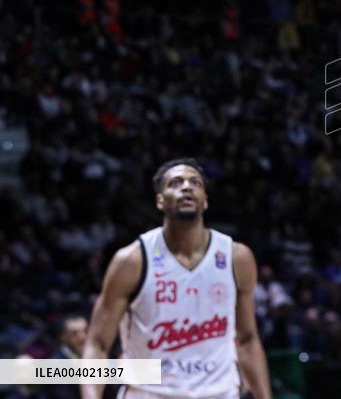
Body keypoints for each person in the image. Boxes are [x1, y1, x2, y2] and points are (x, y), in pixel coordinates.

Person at [81, 158, 271, 399]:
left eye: (195, 183)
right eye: (176, 183)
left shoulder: (237, 258)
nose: (187, 187)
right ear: (160, 200)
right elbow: (97, 344)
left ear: (205, 200)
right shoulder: (132, 261)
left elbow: (247, 339)